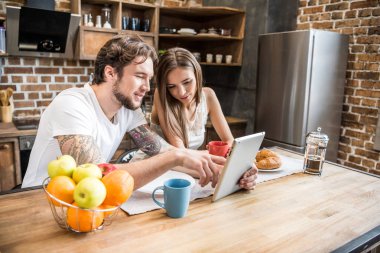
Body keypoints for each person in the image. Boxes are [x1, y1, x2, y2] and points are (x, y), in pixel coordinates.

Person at [21, 35, 256, 191]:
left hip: (85, 204)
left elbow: (161, 150)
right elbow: (95, 177)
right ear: (111, 73)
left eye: (150, 79)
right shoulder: (72, 104)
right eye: (140, 76)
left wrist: (230, 171)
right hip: (40, 202)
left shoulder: (128, 110)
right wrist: (175, 156)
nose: (147, 86)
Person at [151, 47, 257, 189]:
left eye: (187, 82)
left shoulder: (208, 95)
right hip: (158, 170)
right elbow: (180, 153)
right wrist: (225, 169)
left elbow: (229, 140)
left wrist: (241, 164)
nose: (181, 92)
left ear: (197, 74)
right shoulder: (161, 95)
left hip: (186, 170)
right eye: (172, 86)